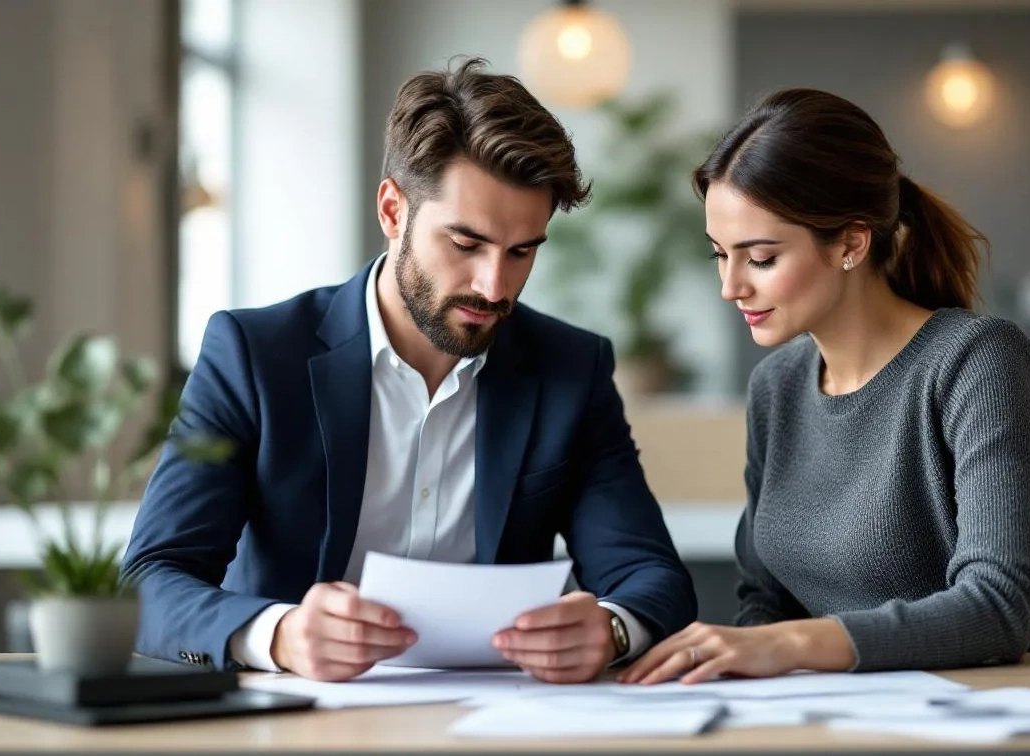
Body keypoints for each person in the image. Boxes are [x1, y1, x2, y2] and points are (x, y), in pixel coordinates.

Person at [123, 57, 695, 683]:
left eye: (521, 252)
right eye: (466, 244)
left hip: (500, 714)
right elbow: (150, 581)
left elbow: (652, 577)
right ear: (393, 211)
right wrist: (279, 635)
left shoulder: (570, 370)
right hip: (295, 715)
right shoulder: (254, 355)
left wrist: (611, 629)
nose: (494, 286)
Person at [621, 88, 1030, 685]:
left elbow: (999, 607)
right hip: (835, 713)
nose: (730, 287)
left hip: (988, 706)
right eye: (719, 255)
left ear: (852, 243)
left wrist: (791, 644)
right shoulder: (776, 386)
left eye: (760, 258)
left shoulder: (977, 361)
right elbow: (764, 600)